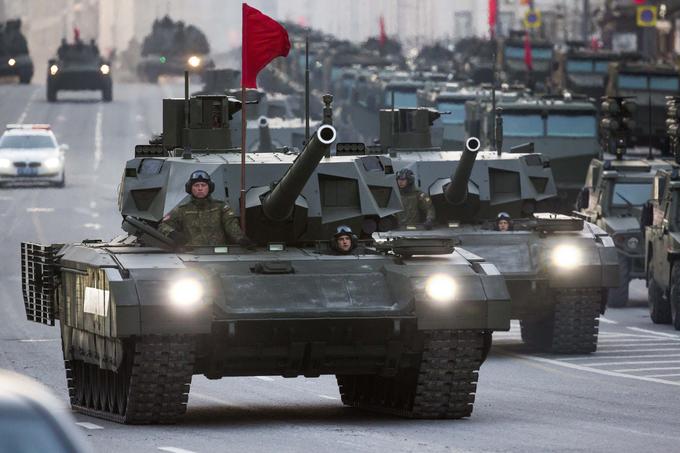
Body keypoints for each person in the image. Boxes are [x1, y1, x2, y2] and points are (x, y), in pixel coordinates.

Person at [159, 170, 253, 247]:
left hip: (218, 253)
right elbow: (163, 226)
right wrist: (172, 234)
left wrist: (240, 238)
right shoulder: (182, 210)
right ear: (190, 188)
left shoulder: (221, 207)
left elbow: (231, 224)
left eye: (203, 185)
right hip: (192, 254)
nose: (200, 188)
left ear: (209, 188)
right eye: (196, 185)